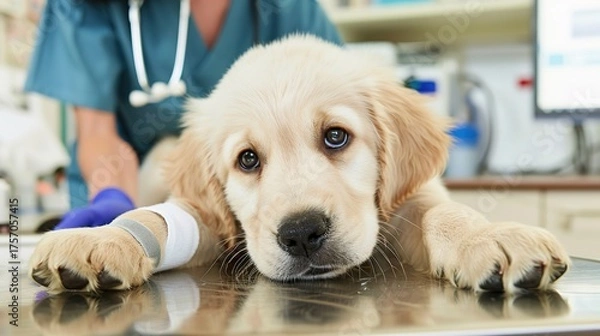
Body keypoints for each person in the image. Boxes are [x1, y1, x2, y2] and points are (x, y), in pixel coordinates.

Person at [25, 0, 342, 229]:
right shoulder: (82, 6)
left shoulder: (289, 8)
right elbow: (96, 134)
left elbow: (341, 113)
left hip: (242, 214)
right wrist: (114, 197)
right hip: (127, 194)